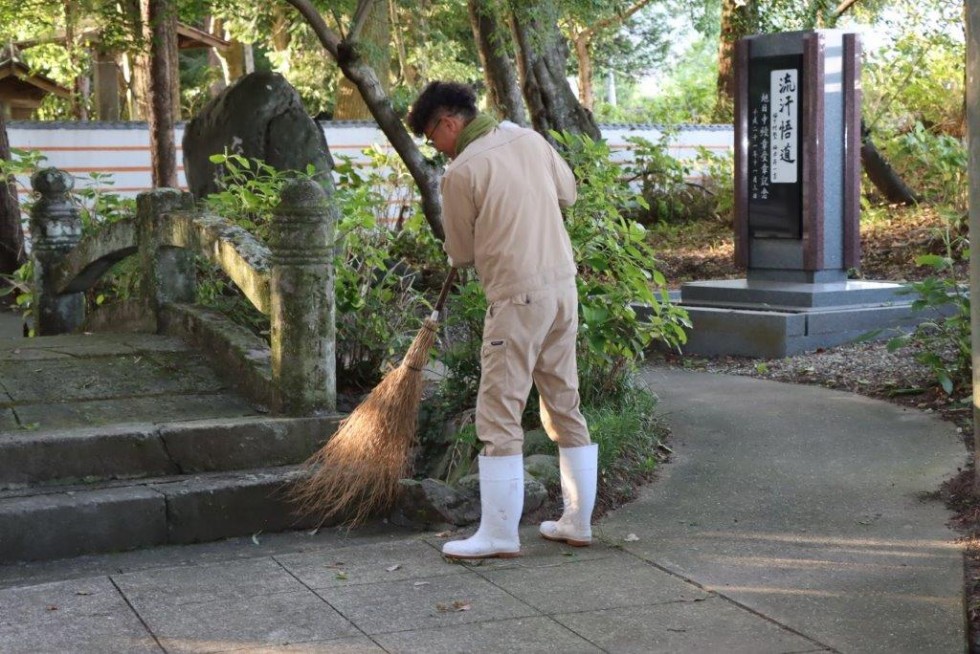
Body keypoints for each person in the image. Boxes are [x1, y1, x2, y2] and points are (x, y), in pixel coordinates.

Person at [406, 81, 598, 559]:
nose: (437, 148)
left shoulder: (462, 171)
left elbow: (462, 254)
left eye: (433, 137)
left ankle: (498, 534)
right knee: (563, 402)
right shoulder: (529, 139)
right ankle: (577, 522)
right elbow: (568, 194)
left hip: (516, 299)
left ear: (448, 123)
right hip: (562, 290)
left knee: (498, 413)